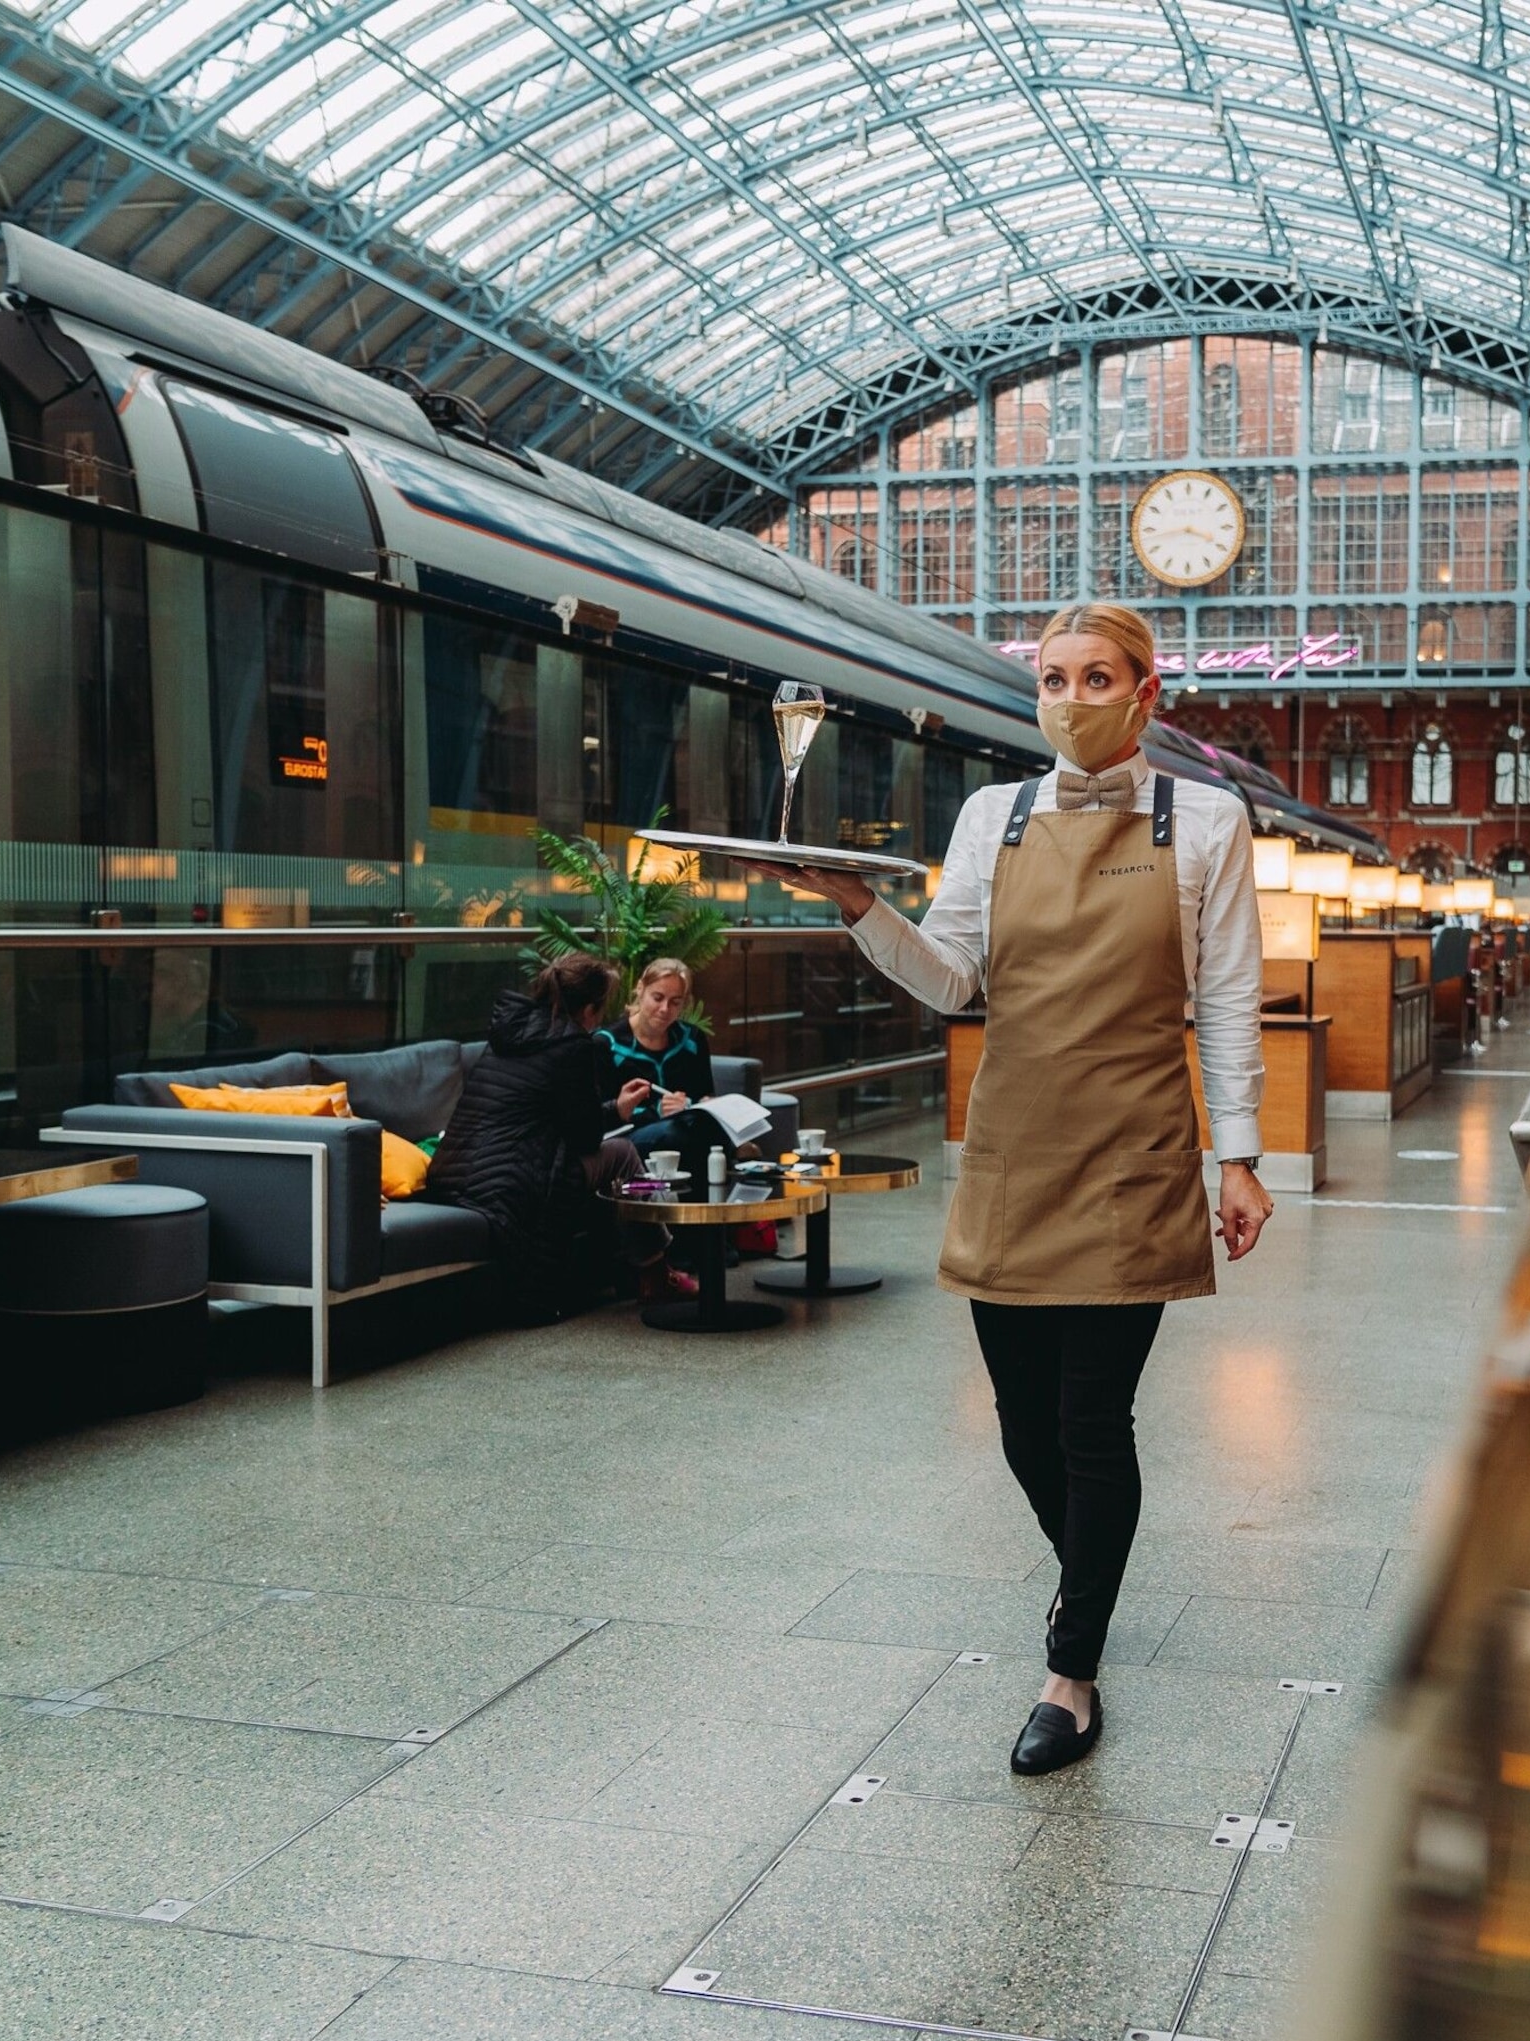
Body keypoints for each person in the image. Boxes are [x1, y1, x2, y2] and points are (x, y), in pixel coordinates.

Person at [753, 601, 1275, 1777]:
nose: (1072, 699)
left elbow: (1229, 996)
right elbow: (953, 981)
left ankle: (1070, 1669)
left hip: (1136, 1148)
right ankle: (1086, 1575)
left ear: (1145, 693)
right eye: (1054, 678)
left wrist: (1237, 1156)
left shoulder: (1206, 818)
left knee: (1093, 1420)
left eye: (1098, 678)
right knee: (1023, 1421)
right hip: (1014, 1148)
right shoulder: (996, 814)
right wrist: (858, 904)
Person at [425, 953, 676, 1312]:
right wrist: (610, 1114)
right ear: (589, 1009)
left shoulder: (509, 1034)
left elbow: (540, 1118)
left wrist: (615, 1108)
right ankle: (656, 1273)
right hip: (510, 1184)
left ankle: (627, 1270)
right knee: (622, 1154)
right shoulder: (573, 1046)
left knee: (610, 1163)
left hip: (452, 1174)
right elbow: (585, 1138)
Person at [602, 958, 728, 1163]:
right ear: (640, 989)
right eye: (657, 998)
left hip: (686, 1126)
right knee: (676, 1134)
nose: (664, 1009)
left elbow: (704, 1094)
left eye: (675, 1002)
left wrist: (693, 1104)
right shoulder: (607, 1043)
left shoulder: (692, 1038)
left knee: (709, 1129)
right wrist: (657, 1112)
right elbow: (601, 1116)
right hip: (628, 1136)